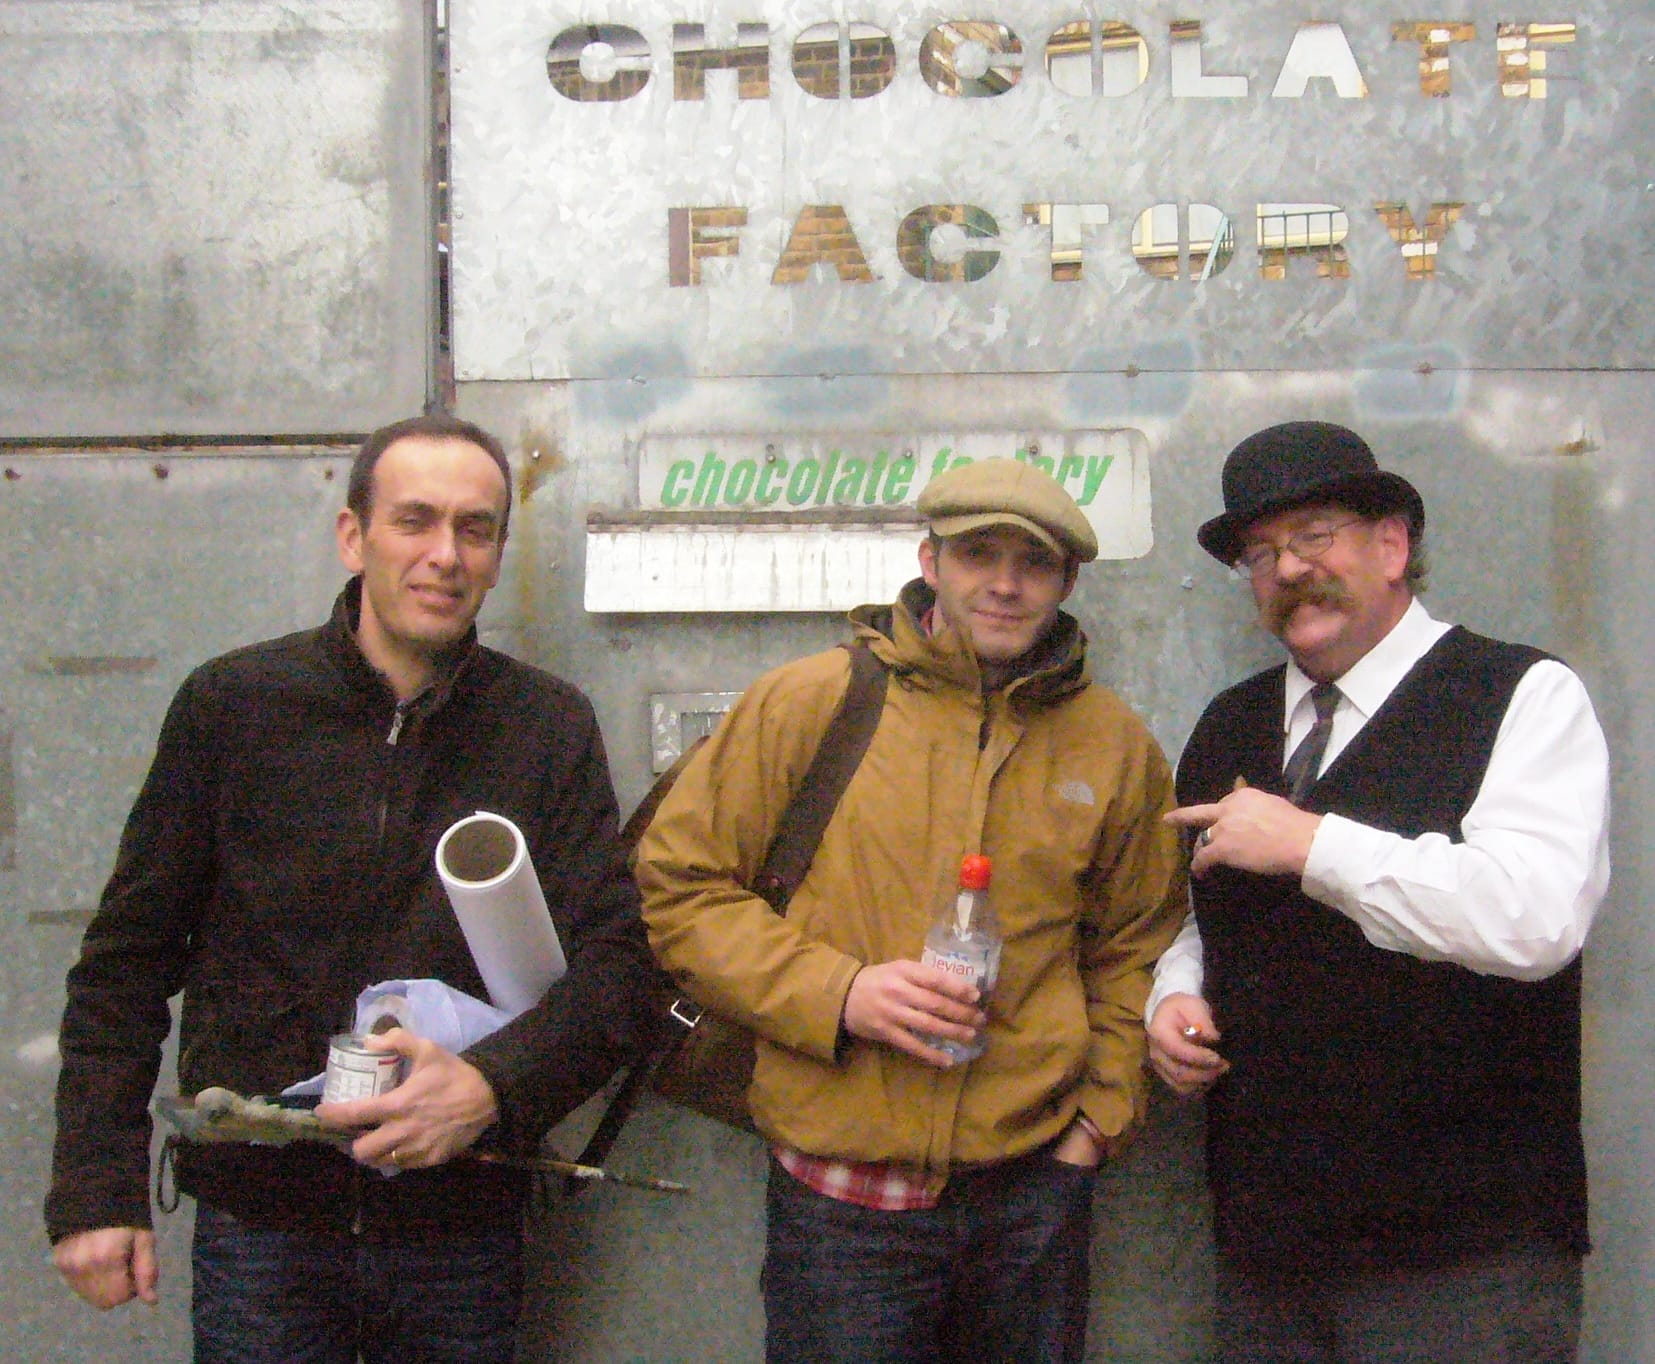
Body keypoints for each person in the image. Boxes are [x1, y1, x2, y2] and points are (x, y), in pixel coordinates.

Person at [45, 412, 657, 1363]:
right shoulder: (233, 708)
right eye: (414, 520)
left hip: (460, 1226)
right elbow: (125, 965)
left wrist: (492, 1086)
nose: (445, 554)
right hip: (264, 1227)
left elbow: (618, 974)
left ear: (497, 555)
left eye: (475, 528)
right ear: (352, 535)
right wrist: (95, 1189)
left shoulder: (544, 728)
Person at [637, 457, 1189, 1363]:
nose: (1004, 584)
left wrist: (1097, 1122)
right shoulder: (811, 702)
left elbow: (1137, 943)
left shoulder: (1114, 746)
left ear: (1066, 583)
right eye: (978, 554)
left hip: (1031, 1198)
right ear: (929, 562)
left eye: (1033, 563)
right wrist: (840, 994)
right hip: (841, 1207)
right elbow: (680, 890)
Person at [1147, 421, 1611, 1362]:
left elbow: (1535, 917)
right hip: (1268, 1245)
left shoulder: (1520, 693)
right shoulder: (1230, 722)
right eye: (1261, 553)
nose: (1288, 569)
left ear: (1392, 544)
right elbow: (1210, 913)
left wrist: (1312, 844)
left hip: (1463, 1257)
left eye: (1313, 536)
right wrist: (1175, 990)